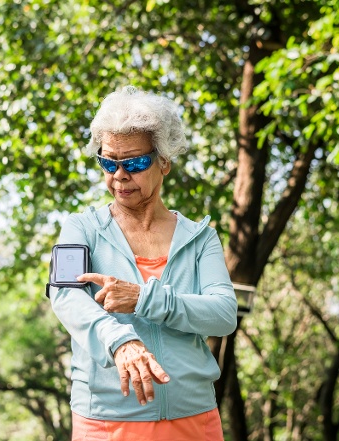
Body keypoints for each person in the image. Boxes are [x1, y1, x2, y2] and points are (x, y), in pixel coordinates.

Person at [48, 86, 238, 441]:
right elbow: (65, 297)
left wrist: (144, 299)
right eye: (108, 162)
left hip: (194, 418)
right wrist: (120, 341)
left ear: (163, 161)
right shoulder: (80, 228)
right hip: (107, 421)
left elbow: (224, 315)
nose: (119, 175)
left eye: (134, 163)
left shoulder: (201, 238)